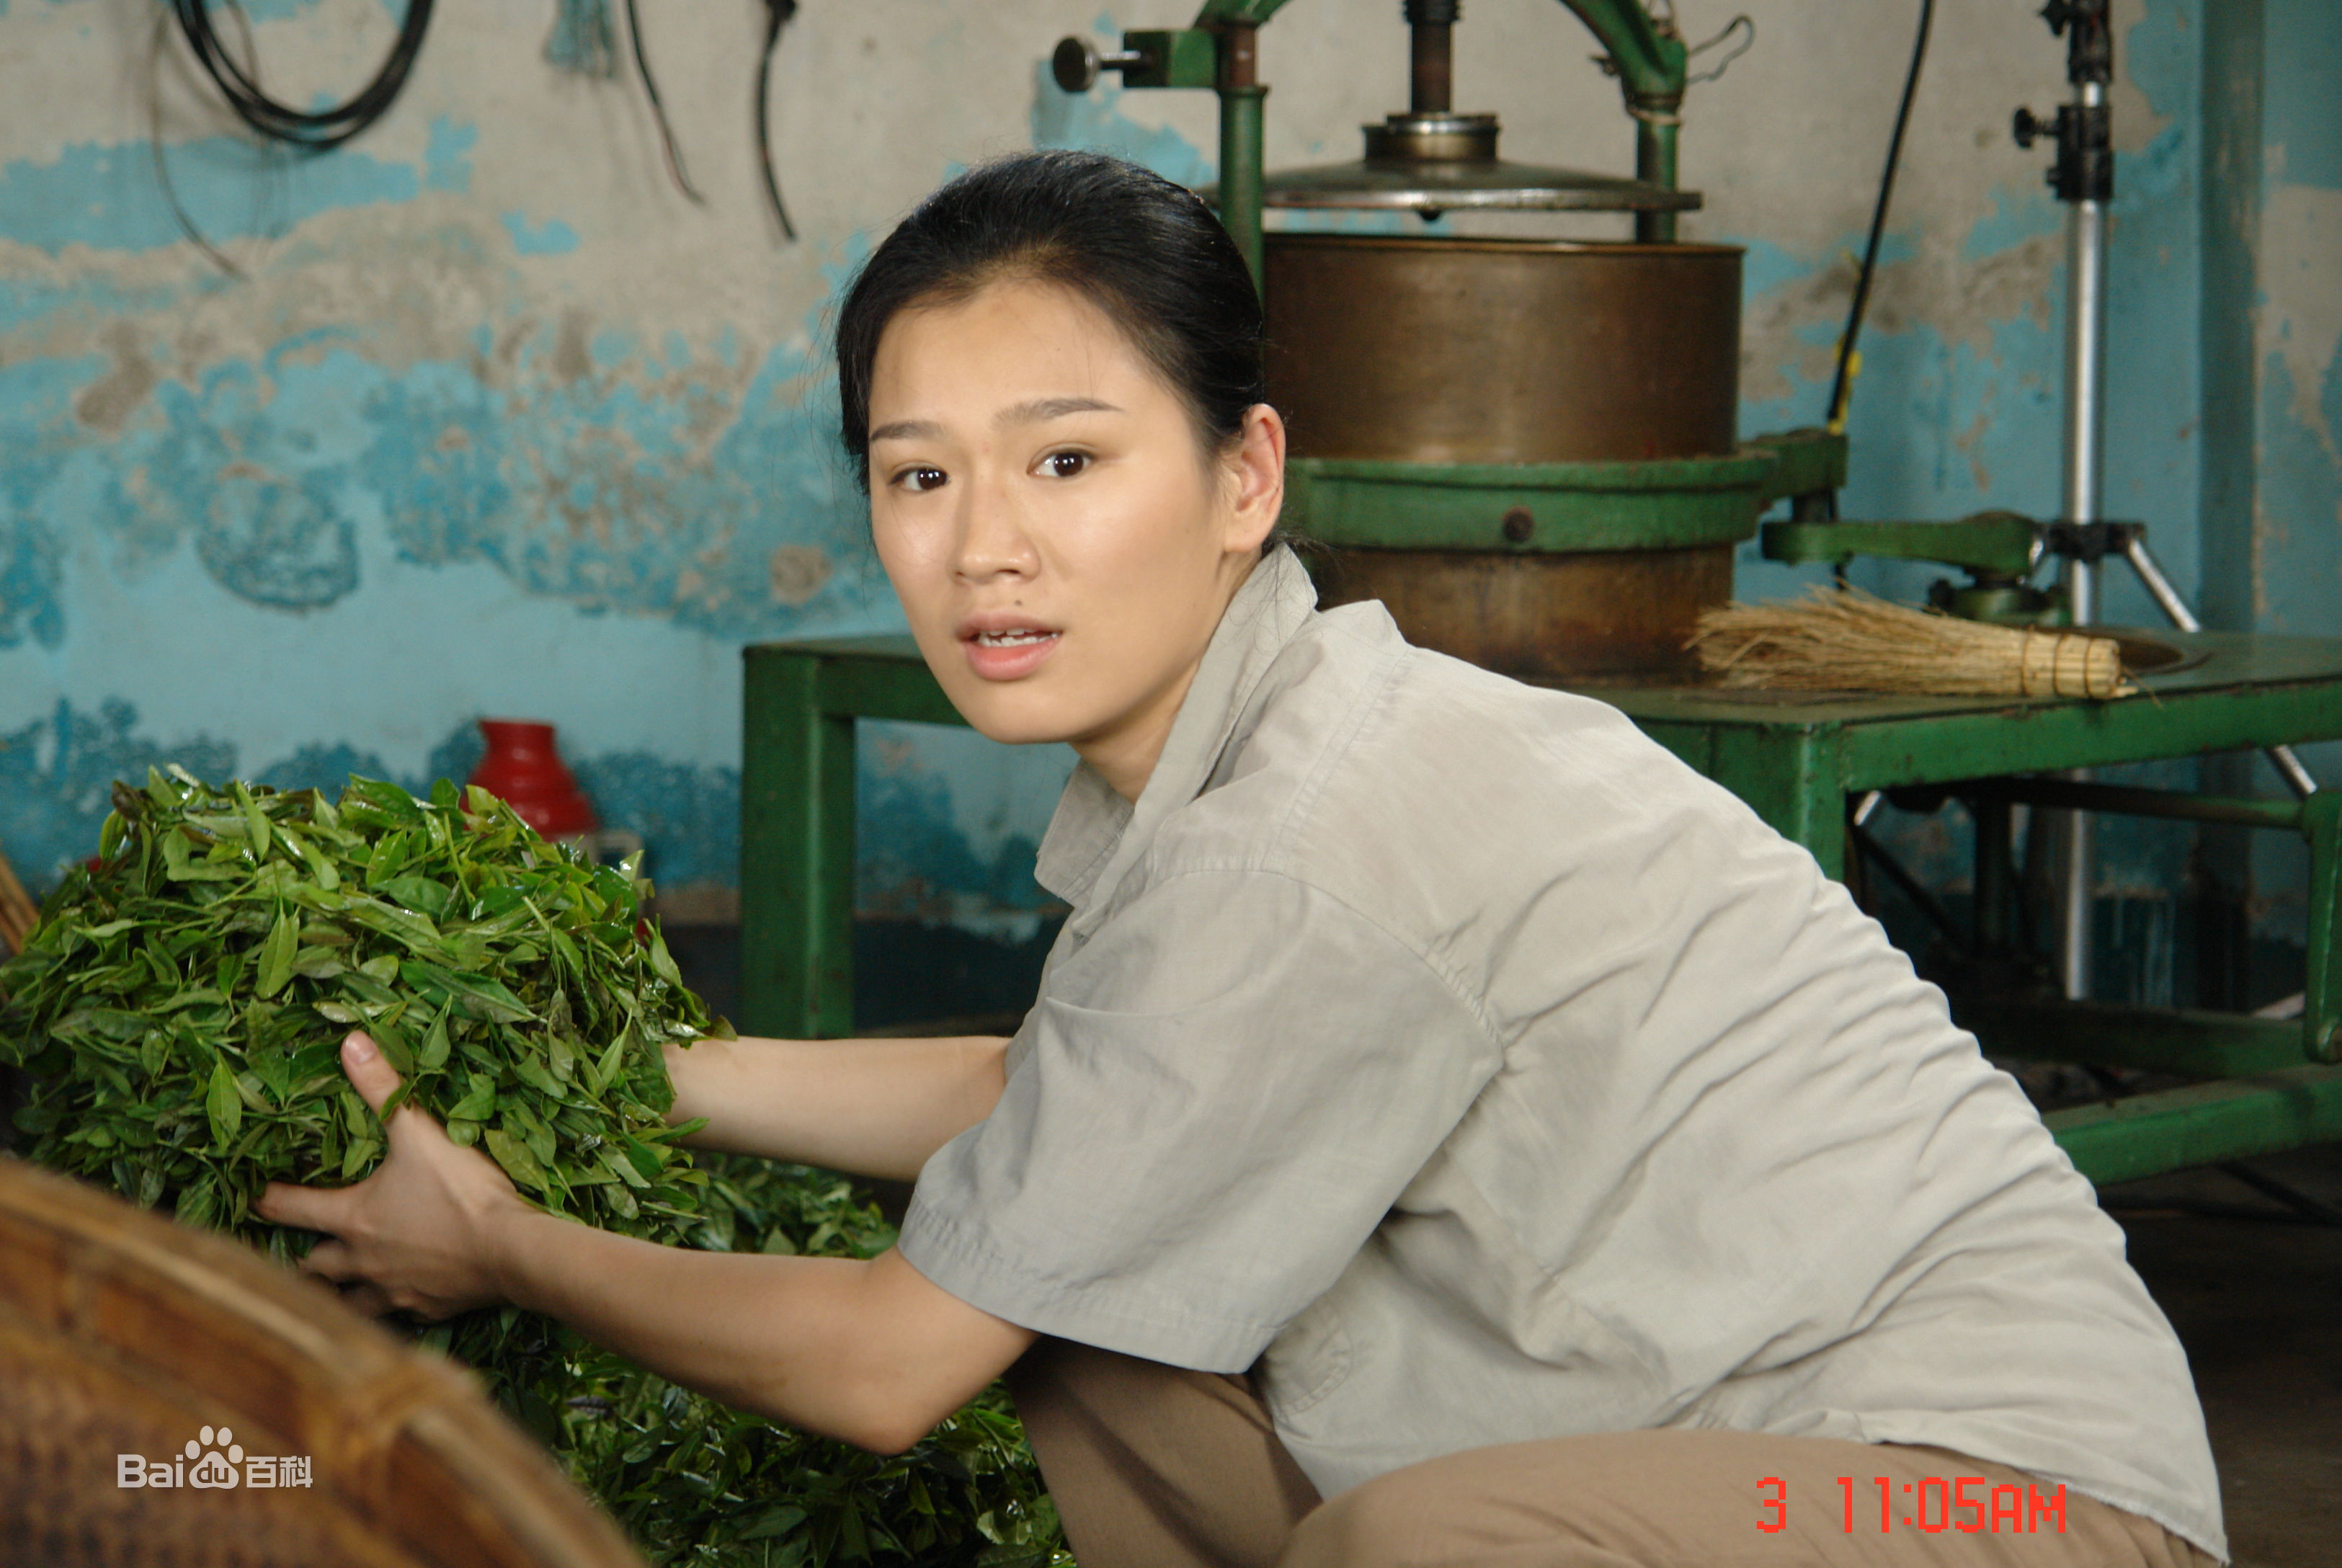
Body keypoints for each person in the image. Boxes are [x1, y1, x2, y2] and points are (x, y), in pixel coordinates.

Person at [258, 150, 2228, 1568]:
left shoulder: (1319, 819)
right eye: (916, 475)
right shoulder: (1233, 763)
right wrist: (614, 1076)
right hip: (1684, 1443)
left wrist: (498, 1245)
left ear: (1246, 479)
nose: (984, 547)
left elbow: (878, 1371)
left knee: (1419, 1540)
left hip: (1987, 1498)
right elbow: (1078, 1108)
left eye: (1068, 459)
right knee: (1074, 1351)